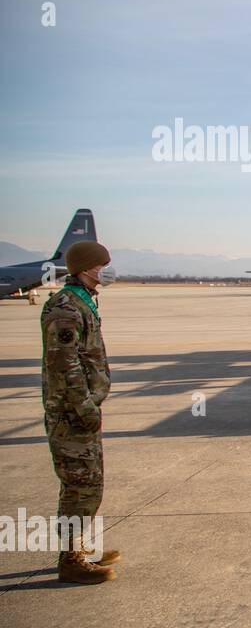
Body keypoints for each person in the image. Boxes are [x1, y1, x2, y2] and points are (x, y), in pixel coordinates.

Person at [41, 240, 119, 584]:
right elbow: (64, 363)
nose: (106, 271)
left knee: (87, 484)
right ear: (86, 267)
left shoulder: (82, 301)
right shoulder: (66, 308)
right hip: (71, 413)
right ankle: (71, 559)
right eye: (102, 265)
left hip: (80, 410)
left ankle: (80, 547)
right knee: (80, 485)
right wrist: (84, 406)